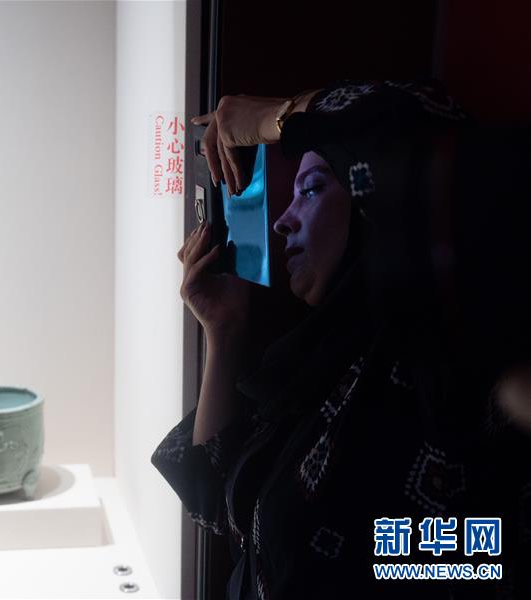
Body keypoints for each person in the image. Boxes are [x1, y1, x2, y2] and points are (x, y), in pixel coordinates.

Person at [151, 80, 531, 600]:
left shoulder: (438, 355)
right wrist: (223, 332)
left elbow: (415, 119)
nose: (282, 221)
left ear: (378, 201)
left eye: (310, 189)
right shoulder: (321, 366)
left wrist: (273, 117)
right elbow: (220, 505)